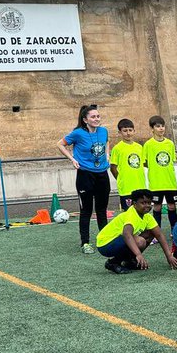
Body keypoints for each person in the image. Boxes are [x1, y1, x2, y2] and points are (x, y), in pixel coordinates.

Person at [58, 104, 110, 254]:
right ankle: (85, 242)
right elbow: (60, 144)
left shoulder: (103, 131)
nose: (96, 119)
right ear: (85, 119)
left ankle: (104, 238)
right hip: (85, 175)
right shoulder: (78, 133)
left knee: (101, 209)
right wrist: (72, 159)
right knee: (86, 210)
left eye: (98, 116)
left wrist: (107, 155)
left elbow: (107, 141)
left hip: (102, 174)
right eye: (93, 117)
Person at [94, 189, 177, 274]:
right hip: (104, 244)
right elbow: (127, 235)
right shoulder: (131, 215)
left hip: (118, 240)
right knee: (140, 241)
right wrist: (138, 255)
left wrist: (169, 256)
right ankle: (113, 263)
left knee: (151, 232)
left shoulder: (147, 216)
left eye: (149, 203)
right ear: (134, 204)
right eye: (143, 203)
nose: (147, 205)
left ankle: (129, 262)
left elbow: (159, 235)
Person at [143, 115, 177, 227]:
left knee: (172, 206)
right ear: (152, 128)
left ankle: (174, 230)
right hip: (156, 183)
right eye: (158, 126)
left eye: (162, 126)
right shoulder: (148, 144)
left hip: (170, 182)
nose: (161, 128)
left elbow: (172, 160)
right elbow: (145, 162)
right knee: (157, 207)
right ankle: (156, 232)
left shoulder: (170, 144)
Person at [108, 118, 146, 211]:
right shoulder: (117, 148)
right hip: (126, 188)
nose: (128, 133)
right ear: (119, 132)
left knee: (142, 212)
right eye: (125, 131)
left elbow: (143, 164)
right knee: (128, 213)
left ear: (134, 131)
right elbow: (113, 167)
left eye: (130, 130)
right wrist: (121, 179)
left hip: (140, 186)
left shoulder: (139, 147)